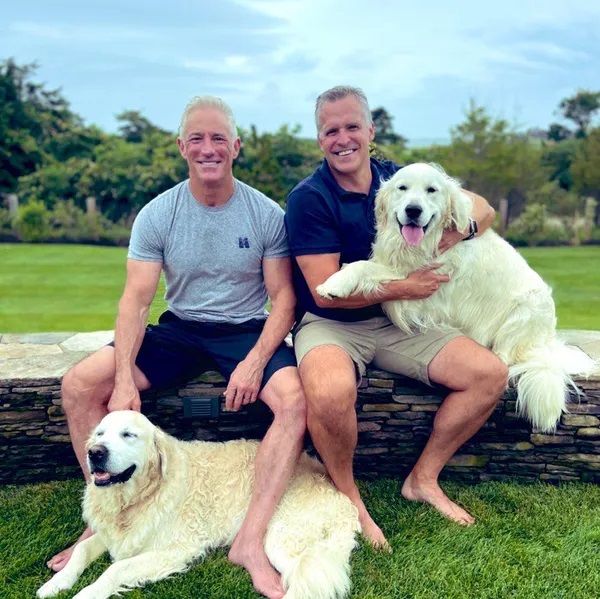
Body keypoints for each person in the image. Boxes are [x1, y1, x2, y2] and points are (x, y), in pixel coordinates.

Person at [47, 95, 306, 599]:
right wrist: (123, 376)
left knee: (295, 403)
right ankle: (101, 518)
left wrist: (254, 362)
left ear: (236, 146)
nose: (207, 148)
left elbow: (283, 300)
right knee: (80, 384)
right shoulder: (158, 214)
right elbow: (135, 302)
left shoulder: (265, 213)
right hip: (181, 330)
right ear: (181, 146)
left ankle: (249, 541)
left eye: (218, 139)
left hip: (246, 330)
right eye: (196, 138)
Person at [285, 85, 508, 547]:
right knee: (328, 393)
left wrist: (457, 233)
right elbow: (326, 294)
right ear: (320, 139)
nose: (343, 138)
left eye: (352, 127)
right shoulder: (310, 198)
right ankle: (349, 496)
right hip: (334, 323)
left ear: (370, 131)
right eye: (331, 130)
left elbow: (481, 209)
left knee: (488, 375)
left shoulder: (403, 178)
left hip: (400, 318)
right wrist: (407, 286)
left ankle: (422, 479)